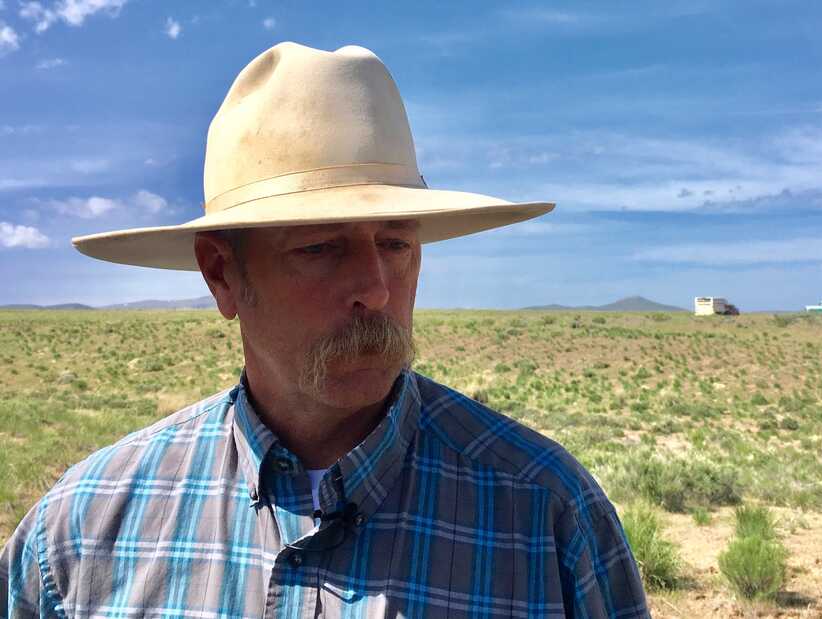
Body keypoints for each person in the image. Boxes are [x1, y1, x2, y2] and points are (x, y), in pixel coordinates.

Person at [0, 42, 648, 618]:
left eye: (396, 243)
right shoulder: (81, 535)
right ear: (222, 274)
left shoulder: (548, 518)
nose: (376, 287)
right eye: (319, 247)